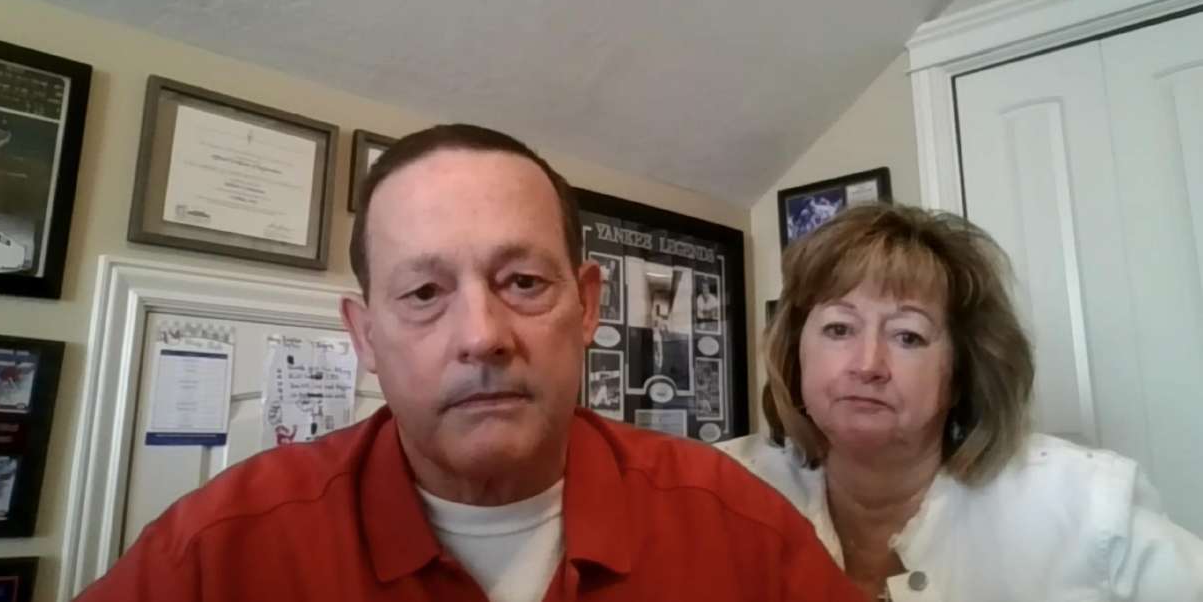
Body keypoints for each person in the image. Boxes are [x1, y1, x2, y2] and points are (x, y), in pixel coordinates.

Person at [78, 124, 864, 602]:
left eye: (523, 282)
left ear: (587, 306)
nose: (482, 334)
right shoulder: (217, 552)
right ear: (365, 337)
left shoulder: (739, 529)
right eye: (423, 291)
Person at [720, 203, 1203, 601]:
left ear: (959, 374)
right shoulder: (718, 486)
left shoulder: (1092, 506)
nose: (867, 364)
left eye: (908, 336)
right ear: (795, 354)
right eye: (839, 329)